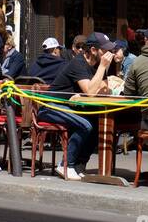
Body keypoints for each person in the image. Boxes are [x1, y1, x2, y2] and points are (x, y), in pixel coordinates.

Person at [38, 32, 114, 180]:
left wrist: (90, 88)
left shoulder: (99, 65)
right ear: (93, 50)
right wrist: (102, 68)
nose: (108, 54)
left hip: (71, 108)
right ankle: (66, 165)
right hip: (51, 107)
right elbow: (92, 91)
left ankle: (79, 165)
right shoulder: (78, 63)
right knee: (85, 125)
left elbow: (106, 89)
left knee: (96, 124)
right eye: (104, 50)